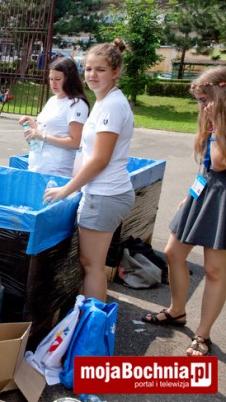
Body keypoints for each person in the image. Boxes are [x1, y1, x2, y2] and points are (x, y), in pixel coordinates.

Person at [141, 66, 226, 357]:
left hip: (223, 200)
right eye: (199, 101)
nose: (202, 107)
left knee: (215, 270)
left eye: (205, 100)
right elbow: (206, 167)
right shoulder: (214, 120)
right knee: (173, 253)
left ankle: (203, 335)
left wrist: (216, 120)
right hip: (204, 192)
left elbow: (219, 162)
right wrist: (190, 195)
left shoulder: (220, 121)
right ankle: (177, 311)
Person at [43, 38, 135, 302]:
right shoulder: (105, 102)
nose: (92, 75)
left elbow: (100, 159)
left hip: (104, 194)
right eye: (89, 68)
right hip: (102, 192)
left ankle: (92, 323)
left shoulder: (112, 106)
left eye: (100, 69)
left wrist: (66, 189)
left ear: (115, 72)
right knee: (90, 262)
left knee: (91, 265)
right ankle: (90, 316)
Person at [18, 57, 90, 177]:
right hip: (37, 165)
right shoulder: (53, 100)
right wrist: (33, 124)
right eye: (51, 79)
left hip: (55, 169)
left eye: (58, 79)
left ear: (69, 79)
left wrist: (43, 136)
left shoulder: (76, 104)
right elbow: (47, 129)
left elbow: (75, 142)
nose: (53, 83)